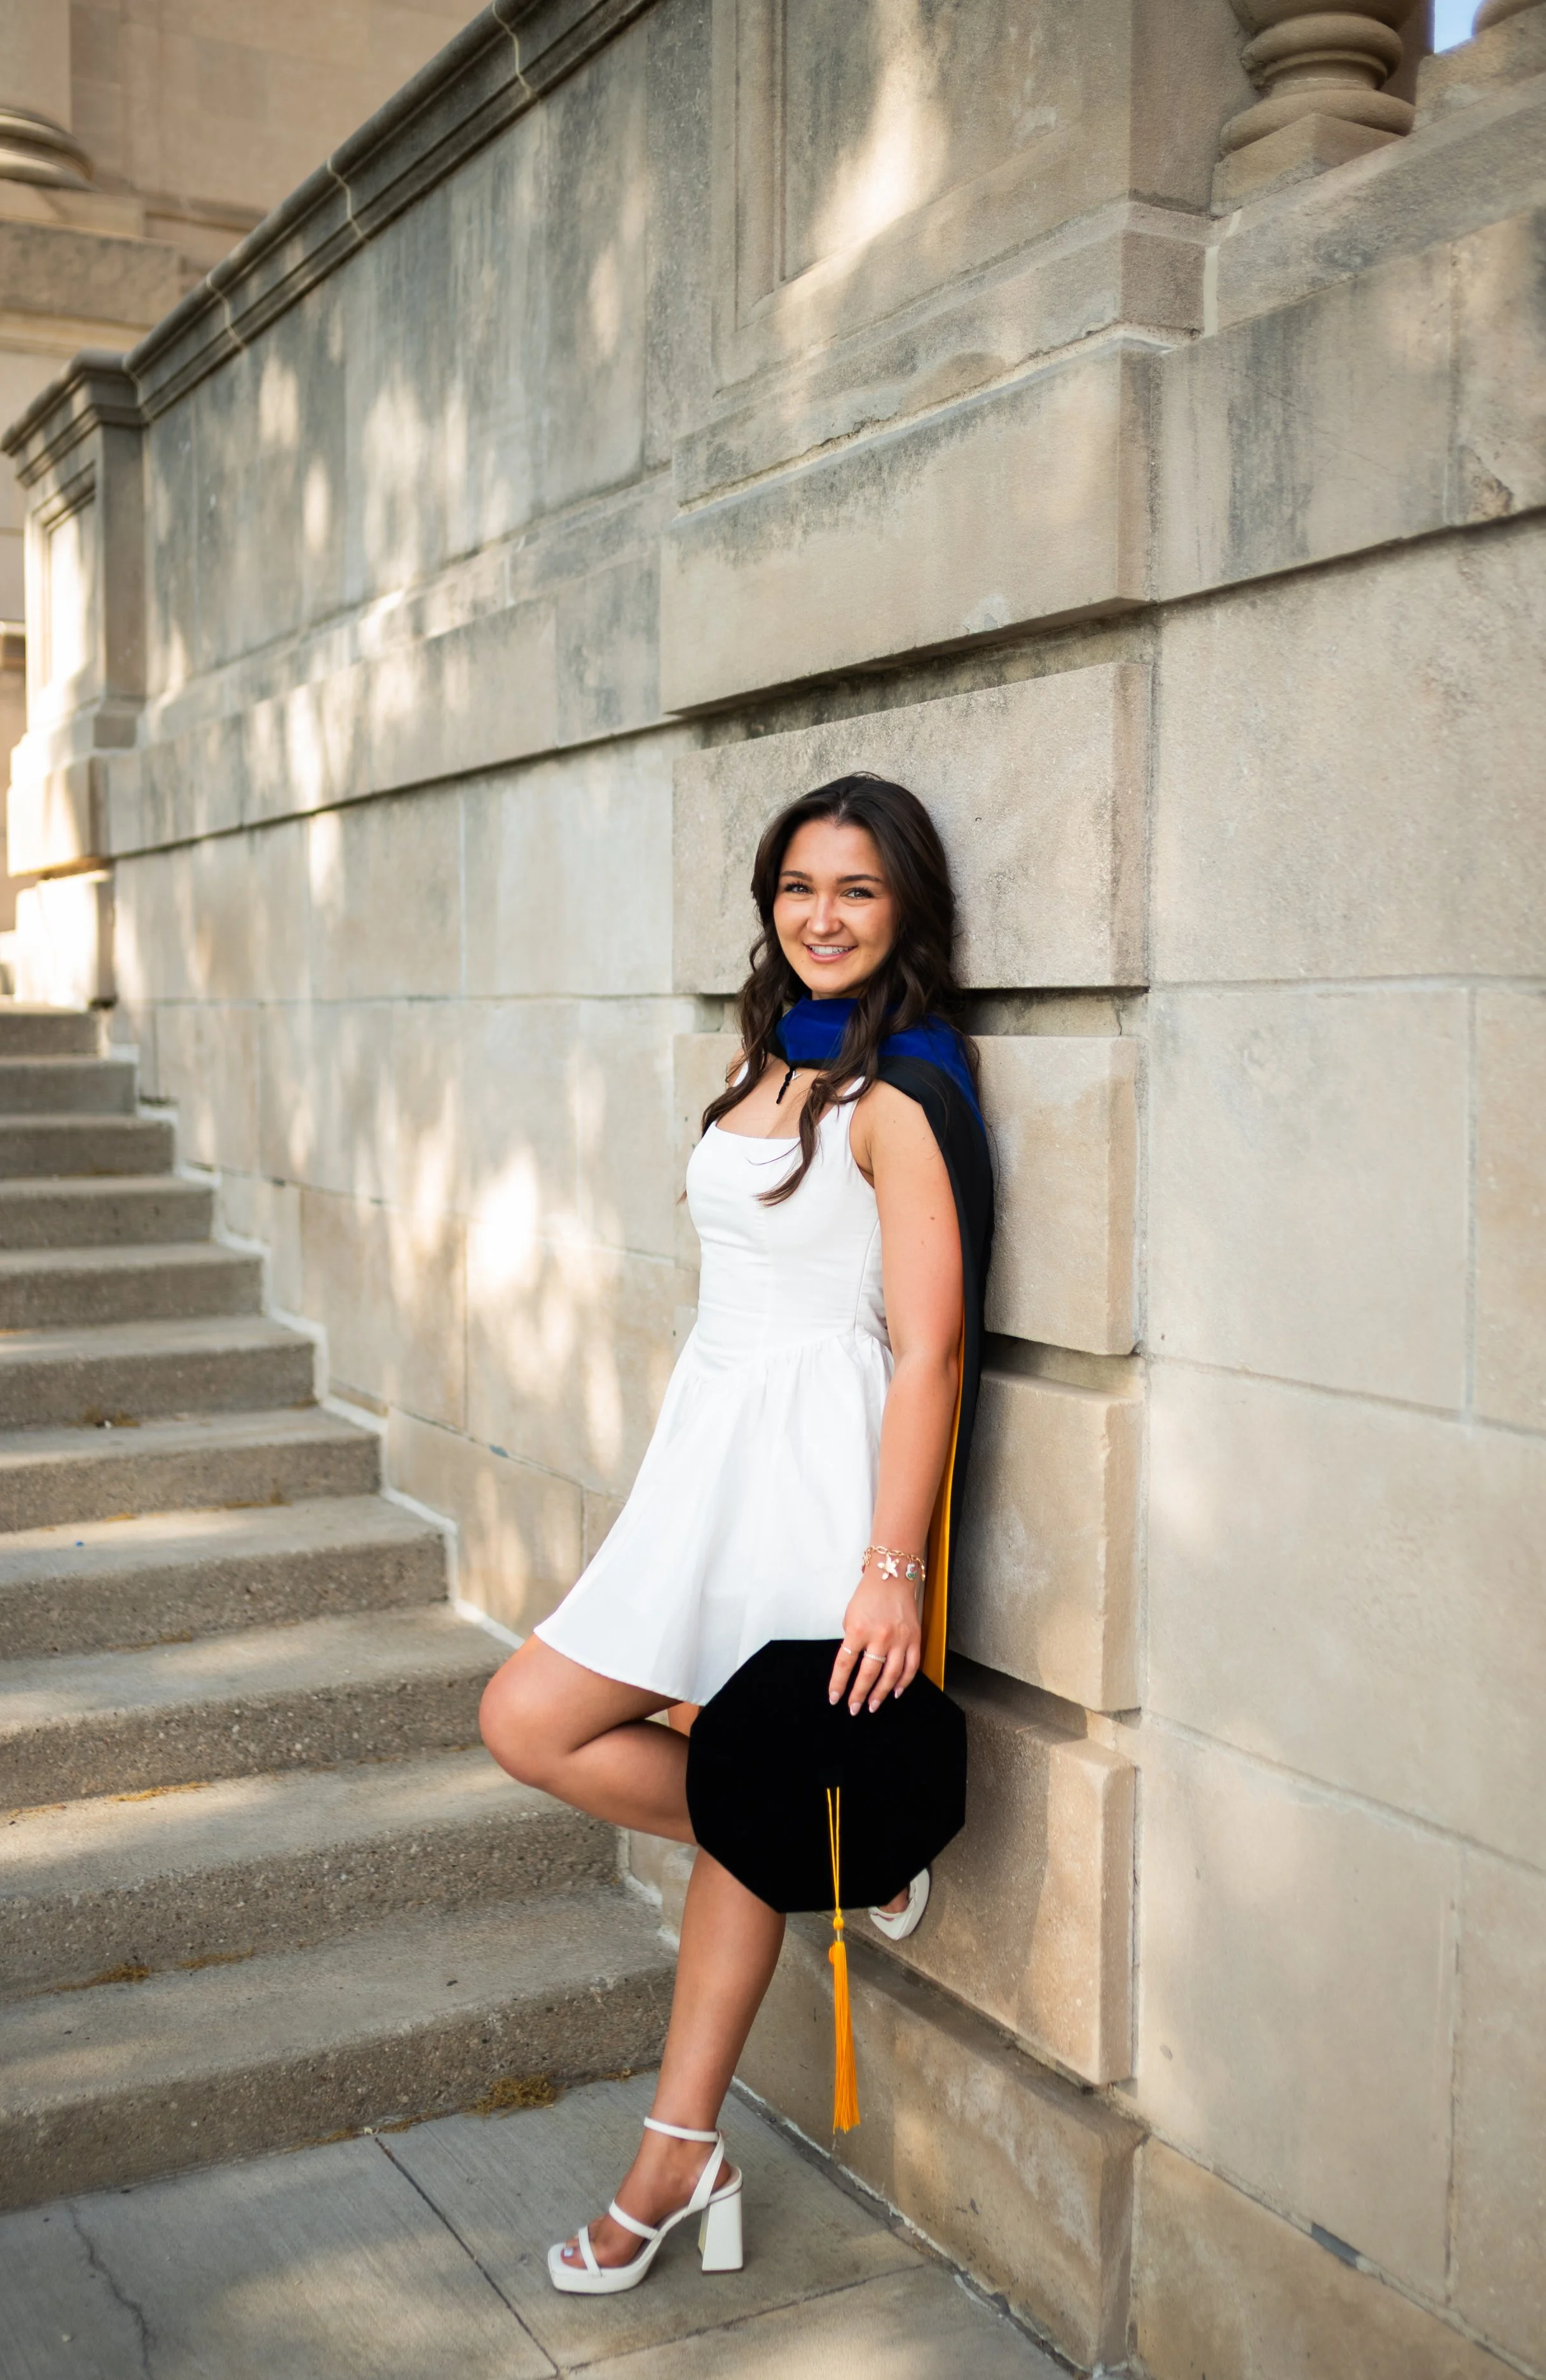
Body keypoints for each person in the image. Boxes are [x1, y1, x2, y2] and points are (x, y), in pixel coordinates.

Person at [478, 772, 989, 2295]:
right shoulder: (765, 1051)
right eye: (795, 887)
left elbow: (931, 1351)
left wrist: (887, 1571)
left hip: (814, 1480)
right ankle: (831, 1840)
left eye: (856, 892)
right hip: (705, 1460)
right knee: (532, 1721)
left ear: (903, 913)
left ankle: (670, 2157)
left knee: (710, 1783)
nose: (820, 917)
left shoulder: (899, 1093)